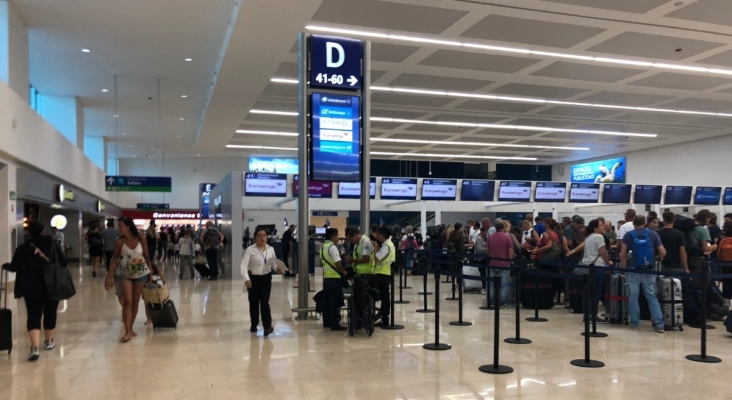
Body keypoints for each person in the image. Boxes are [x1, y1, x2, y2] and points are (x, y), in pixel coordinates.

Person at [3, 220, 67, 361]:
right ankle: (49, 341)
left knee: (33, 315)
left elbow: (13, 267)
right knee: (50, 312)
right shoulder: (53, 246)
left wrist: (5, 266)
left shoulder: (22, 248)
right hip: (51, 285)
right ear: (44, 230)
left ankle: (35, 348)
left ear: (29, 232)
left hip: (30, 287)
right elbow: (64, 262)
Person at [104, 217, 154, 343]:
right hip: (124, 273)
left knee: (136, 301)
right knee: (128, 300)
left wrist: (151, 272)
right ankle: (127, 331)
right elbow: (114, 260)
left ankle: (131, 329)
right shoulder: (119, 242)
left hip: (141, 273)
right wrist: (109, 277)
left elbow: (147, 256)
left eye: (120, 225)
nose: (118, 228)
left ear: (128, 226)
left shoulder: (140, 238)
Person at [620, 215, 666, 333]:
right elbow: (663, 252)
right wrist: (657, 258)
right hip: (649, 271)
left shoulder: (628, 235)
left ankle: (635, 323)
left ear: (633, 223)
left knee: (633, 297)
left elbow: (623, 255)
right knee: (651, 297)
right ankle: (659, 324)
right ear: (645, 223)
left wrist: (625, 270)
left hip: (633, 270)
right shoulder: (653, 234)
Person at [242, 227, 284, 337]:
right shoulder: (250, 250)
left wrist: (277, 269)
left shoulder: (271, 249)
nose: (262, 238)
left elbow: (273, 263)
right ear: (255, 238)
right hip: (253, 279)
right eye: (259, 236)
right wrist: (246, 279)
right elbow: (244, 266)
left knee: (265, 302)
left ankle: (267, 327)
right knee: (254, 303)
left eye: (264, 235)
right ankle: (254, 324)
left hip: (266, 279)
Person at [574, 219, 611, 323]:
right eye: (601, 225)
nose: (603, 226)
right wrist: (609, 262)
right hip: (597, 267)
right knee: (596, 293)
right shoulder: (599, 237)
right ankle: (593, 315)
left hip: (587, 266)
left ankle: (586, 314)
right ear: (595, 228)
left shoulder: (588, 237)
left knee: (587, 292)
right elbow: (603, 253)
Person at [320, 228, 347, 331]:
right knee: (334, 302)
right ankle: (334, 324)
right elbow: (337, 263)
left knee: (326, 302)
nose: (338, 239)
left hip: (326, 278)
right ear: (332, 237)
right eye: (337, 236)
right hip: (334, 278)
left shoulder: (323, 247)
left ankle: (326, 322)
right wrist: (343, 272)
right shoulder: (332, 247)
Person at [485, 221, 514, 308]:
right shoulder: (507, 237)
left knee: (491, 284)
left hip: (493, 263)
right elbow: (510, 252)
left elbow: (488, 251)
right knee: (504, 284)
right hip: (504, 264)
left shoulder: (490, 237)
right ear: (503, 227)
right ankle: (503, 302)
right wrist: (509, 261)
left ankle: (491, 300)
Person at [373, 226, 395, 326]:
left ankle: (384, 318)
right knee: (385, 297)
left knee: (384, 297)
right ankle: (384, 317)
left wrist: (374, 248)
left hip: (382, 274)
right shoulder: (390, 244)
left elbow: (377, 258)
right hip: (385, 273)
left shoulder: (386, 246)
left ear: (381, 235)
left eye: (378, 235)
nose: (377, 237)